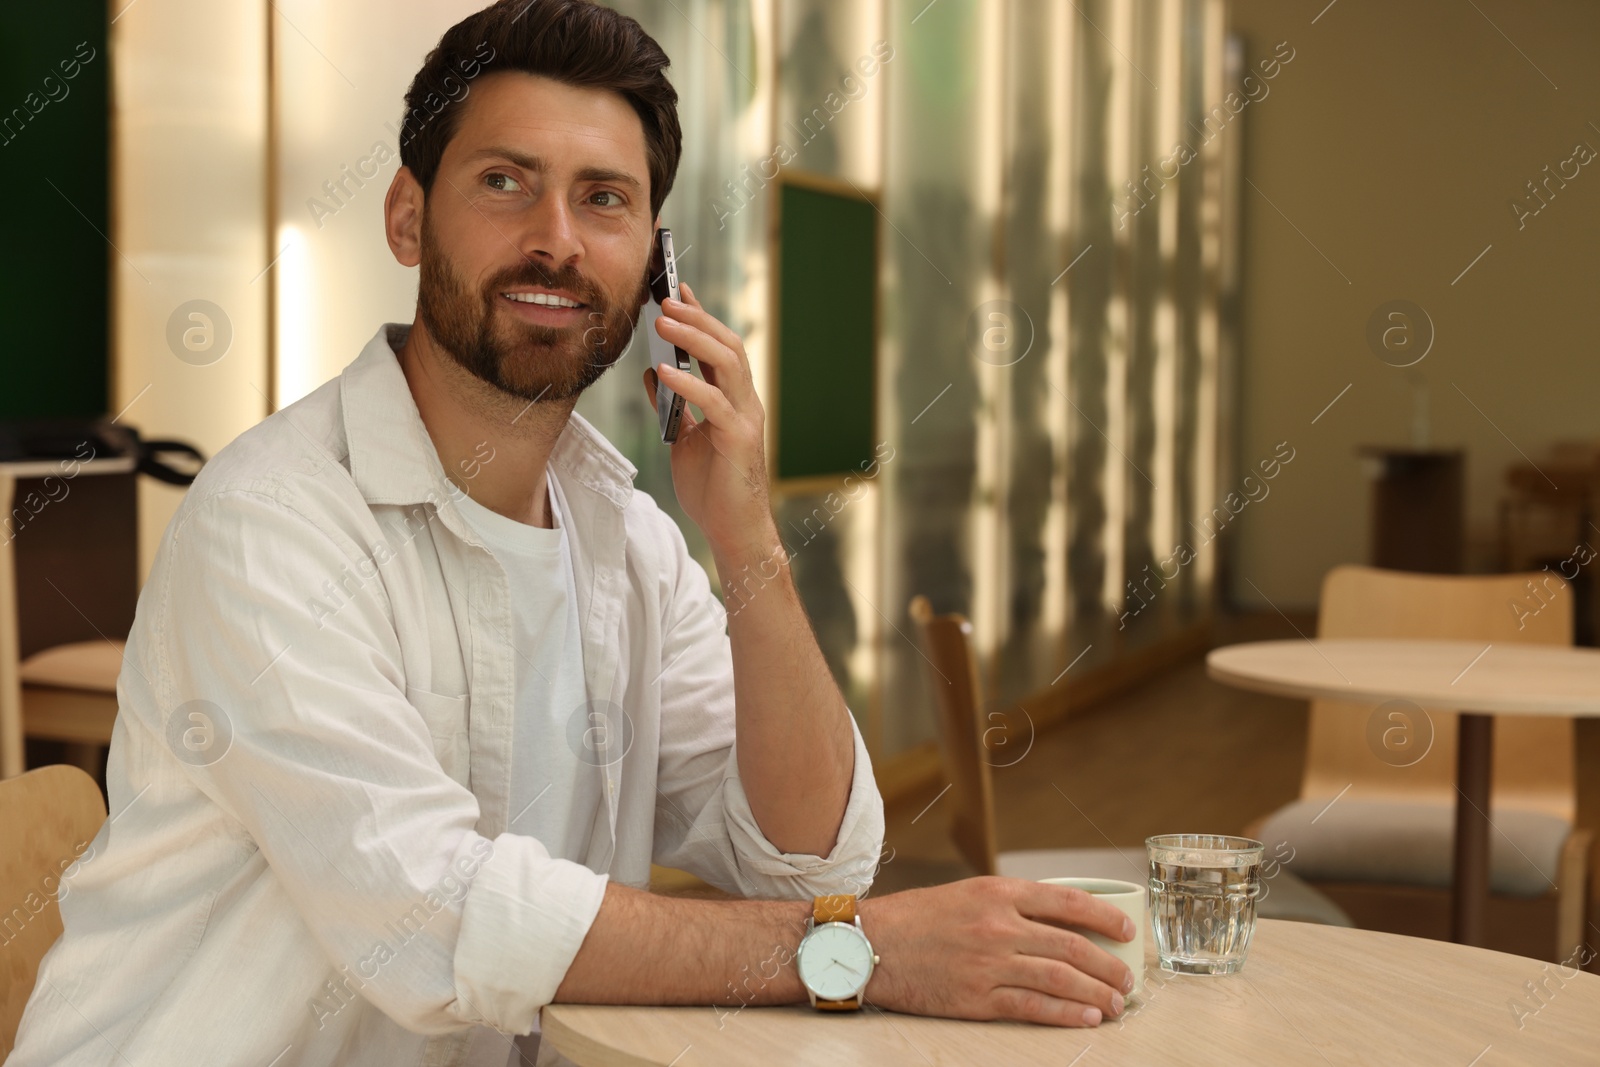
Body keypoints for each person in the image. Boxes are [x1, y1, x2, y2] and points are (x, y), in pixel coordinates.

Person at [6, 3, 1133, 1064]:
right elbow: (433, 919)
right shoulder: (274, 522)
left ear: (654, 263)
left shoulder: (633, 540)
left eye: (604, 199)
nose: (556, 241)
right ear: (408, 216)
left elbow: (806, 859)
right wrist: (858, 952)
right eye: (505, 182)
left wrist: (745, 540)